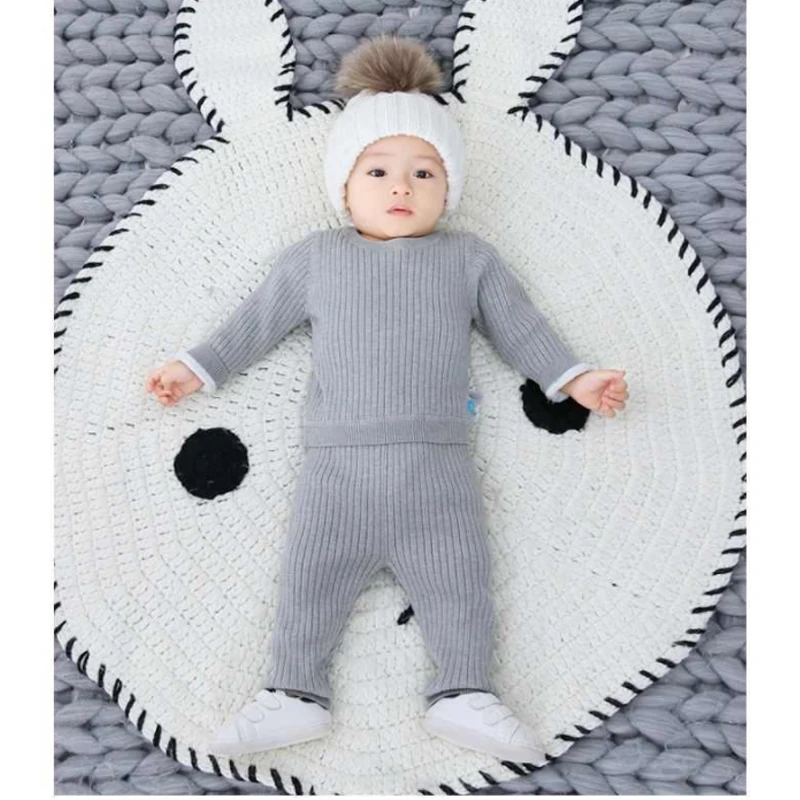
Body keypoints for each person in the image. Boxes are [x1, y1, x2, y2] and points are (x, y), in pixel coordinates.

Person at [146, 35, 628, 763]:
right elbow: (254, 323)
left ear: (449, 189)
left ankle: (465, 691)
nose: (401, 187)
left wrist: (576, 379)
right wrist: (196, 367)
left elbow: (523, 330)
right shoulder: (317, 258)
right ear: (344, 186)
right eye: (378, 171)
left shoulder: (468, 259)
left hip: (437, 463)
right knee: (309, 579)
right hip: (336, 467)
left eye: (423, 173)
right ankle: (292, 692)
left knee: (460, 579)